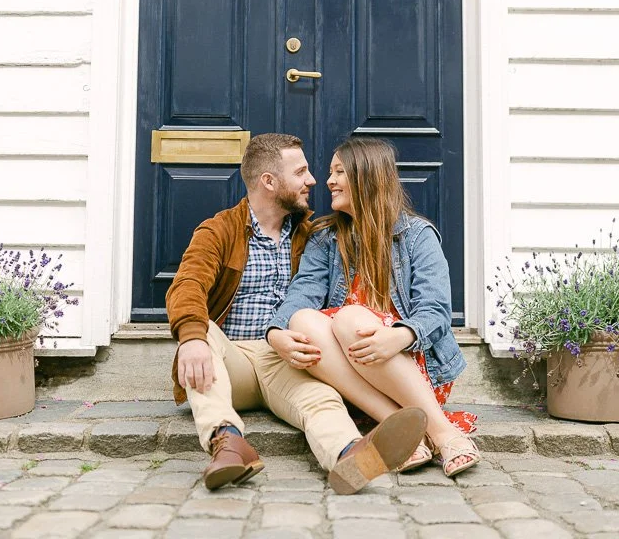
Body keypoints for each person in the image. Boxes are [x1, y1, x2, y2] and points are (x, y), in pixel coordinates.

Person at [166, 132, 427, 494]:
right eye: (301, 172)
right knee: (202, 334)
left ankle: (349, 456)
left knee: (322, 398)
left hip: (286, 359)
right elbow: (187, 286)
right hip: (233, 359)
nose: (313, 180)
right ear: (269, 182)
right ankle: (227, 443)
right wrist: (192, 338)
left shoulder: (313, 235)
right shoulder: (219, 230)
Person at [266, 136, 482, 478]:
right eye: (331, 172)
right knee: (302, 320)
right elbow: (302, 293)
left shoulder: (417, 236)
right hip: (357, 383)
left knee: (350, 317)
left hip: (413, 370)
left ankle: (441, 432)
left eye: (339, 172)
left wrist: (399, 337)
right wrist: (276, 332)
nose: (329, 181)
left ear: (366, 176)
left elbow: (436, 310)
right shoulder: (325, 239)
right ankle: (398, 427)